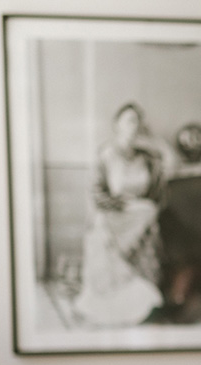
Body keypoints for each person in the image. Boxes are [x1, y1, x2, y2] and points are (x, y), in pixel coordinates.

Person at [74, 102, 171, 327]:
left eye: (137, 121)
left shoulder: (148, 156)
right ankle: (107, 302)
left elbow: (164, 179)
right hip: (114, 213)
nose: (133, 125)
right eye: (128, 120)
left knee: (149, 215)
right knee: (100, 234)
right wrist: (121, 205)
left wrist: (154, 139)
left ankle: (141, 302)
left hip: (140, 214)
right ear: (116, 125)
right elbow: (96, 192)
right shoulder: (106, 153)